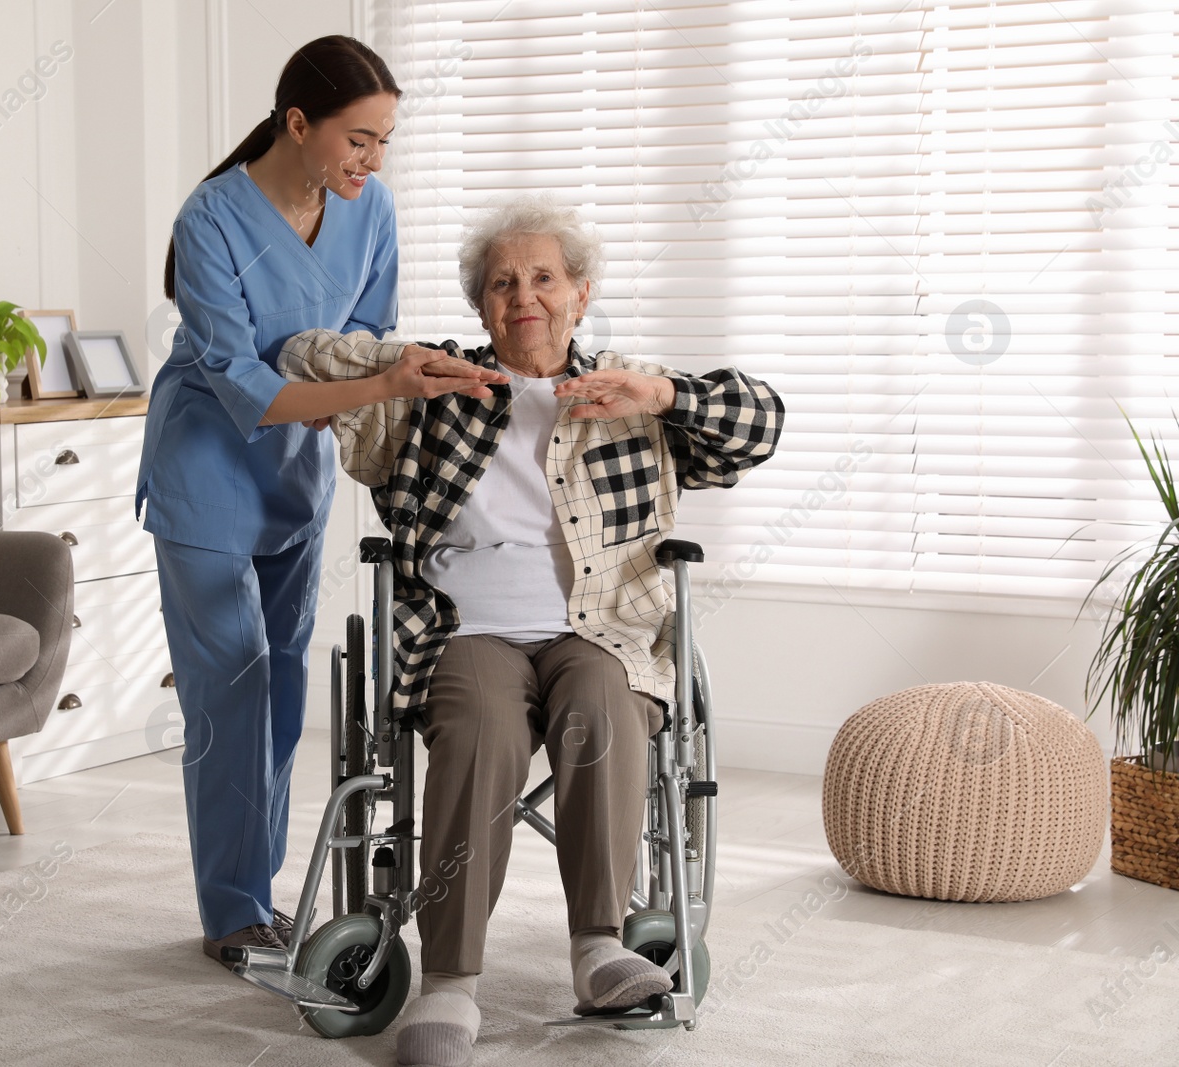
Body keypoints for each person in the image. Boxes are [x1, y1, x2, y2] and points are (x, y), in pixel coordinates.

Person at [281, 194, 784, 1065]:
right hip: (462, 629)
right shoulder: (434, 391)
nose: (525, 296)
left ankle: (598, 946)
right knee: (477, 729)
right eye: (504, 282)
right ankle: (450, 983)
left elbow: (760, 421)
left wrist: (660, 393)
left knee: (601, 708)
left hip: (602, 632)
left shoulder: (625, 389)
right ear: (482, 304)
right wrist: (404, 366)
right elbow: (300, 353)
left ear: (581, 294)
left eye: (545, 278)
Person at [135, 35, 505, 968]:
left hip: (295, 472)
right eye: (358, 139)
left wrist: (415, 374)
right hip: (207, 467)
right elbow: (245, 386)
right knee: (232, 688)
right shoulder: (211, 219)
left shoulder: (368, 206)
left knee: (287, 683)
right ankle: (233, 911)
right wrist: (386, 386)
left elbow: (367, 340)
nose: (373, 161)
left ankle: (257, 896)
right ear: (297, 124)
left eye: (383, 142)